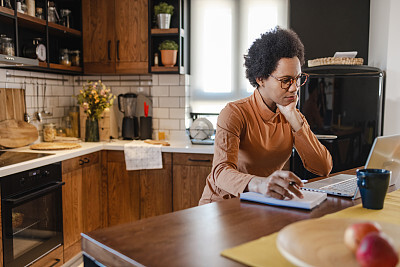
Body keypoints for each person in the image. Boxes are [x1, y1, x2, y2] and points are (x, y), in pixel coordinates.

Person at [199, 27, 333, 205]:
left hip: (259, 203)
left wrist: (294, 117)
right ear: (261, 78)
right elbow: (221, 171)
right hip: (222, 204)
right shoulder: (234, 113)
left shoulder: (291, 113)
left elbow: (323, 168)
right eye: (286, 80)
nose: (294, 88)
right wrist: (259, 184)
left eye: (298, 78)